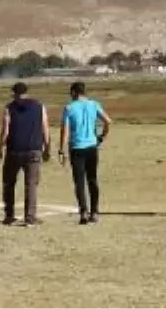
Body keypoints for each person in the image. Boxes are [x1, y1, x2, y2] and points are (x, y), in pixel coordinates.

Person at [0, 81, 51, 226]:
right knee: (31, 184)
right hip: (34, 150)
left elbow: (5, 131)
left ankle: (9, 215)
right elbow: (45, 129)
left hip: (14, 150)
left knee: (9, 183)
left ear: (14, 93)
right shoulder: (40, 107)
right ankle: (30, 217)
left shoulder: (9, 107)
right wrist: (47, 147)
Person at [59, 81, 112, 224]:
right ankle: (94, 211)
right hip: (92, 147)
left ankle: (83, 211)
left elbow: (65, 131)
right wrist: (102, 136)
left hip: (76, 147)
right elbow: (108, 121)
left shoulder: (69, 108)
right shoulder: (93, 104)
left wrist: (61, 150)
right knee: (92, 179)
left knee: (79, 181)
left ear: (74, 93)